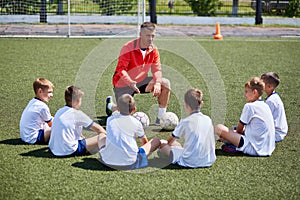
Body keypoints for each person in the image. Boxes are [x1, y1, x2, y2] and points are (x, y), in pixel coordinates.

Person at [106, 22, 170, 125]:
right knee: (122, 117)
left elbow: (157, 69)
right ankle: (111, 106)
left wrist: (157, 83)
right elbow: (121, 69)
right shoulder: (127, 47)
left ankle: (161, 118)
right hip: (123, 83)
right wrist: (130, 82)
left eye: (153, 36)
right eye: (147, 36)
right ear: (140, 35)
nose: (150, 39)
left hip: (140, 82)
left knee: (165, 83)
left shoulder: (153, 50)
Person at [215, 77, 275, 156]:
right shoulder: (265, 105)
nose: (245, 94)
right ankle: (230, 143)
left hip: (254, 148)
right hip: (267, 148)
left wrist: (229, 135)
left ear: (255, 92)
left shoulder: (250, 106)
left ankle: (234, 147)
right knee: (233, 131)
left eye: (246, 92)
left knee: (219, 128)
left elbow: (239, 130)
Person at [100, 94, 161, 170]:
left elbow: (115, 112)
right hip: (130, 163)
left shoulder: (110, 119)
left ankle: (110, 105)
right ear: (134, 109)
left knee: (101, 136)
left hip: (107, 162)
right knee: (156, 141)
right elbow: (145, 142)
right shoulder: (136, 123)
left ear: (118, 108)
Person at [159, 88, 216, 168]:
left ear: (186, 105)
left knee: (162, 143)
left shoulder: (185, 121)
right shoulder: (208, 119)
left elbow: (169, 142)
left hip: (190, 162)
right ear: (201, 104)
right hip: (209, 160)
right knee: (177, 145)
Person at [49, 86, 106, 157]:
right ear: (78, 100)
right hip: (69, 150)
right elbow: (100, 130)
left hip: (54, 148)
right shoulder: (77, 114)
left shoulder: (59, 111)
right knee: (103, 136)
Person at [20, 78, 54, 144]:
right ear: (40, 91)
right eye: (49, 92)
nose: (51, 95)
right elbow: (51, 124)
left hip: (25, 136)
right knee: (60, 128)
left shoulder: (33, 101)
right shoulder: (42, 106)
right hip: (34, 138)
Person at [261, 72, 288, 142]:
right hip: (279, 131)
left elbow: (264, 121)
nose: (259, 85)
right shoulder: (273, 97)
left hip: (276, 134)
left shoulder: (271, 101)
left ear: (269, 86)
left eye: (261, 83)